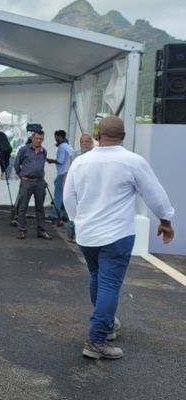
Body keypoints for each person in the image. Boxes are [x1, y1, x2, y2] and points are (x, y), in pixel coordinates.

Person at [63, 116, 175, 359]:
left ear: (97, 135)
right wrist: (165, 220)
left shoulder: (81, 163)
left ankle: (107, 325)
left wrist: (77, 220)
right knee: (110, 285)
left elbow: (69, 198)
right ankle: (96, 340)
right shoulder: (132, 161)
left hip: (87, 235)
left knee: (97, 278)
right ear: (123, 137)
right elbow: (154, 194)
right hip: (117, 235)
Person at [13, 129, 51, 240]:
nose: (39, 141)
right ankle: (22, 230)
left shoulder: (44, 151)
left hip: (39, 182)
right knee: (23, 207)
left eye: (41, 139)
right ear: (32, 138)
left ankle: (41, 231)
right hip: (26, 182)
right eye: (37, 138)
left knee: (40, 208)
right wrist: (22, 176)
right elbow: (16, 165)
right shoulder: (24, 150)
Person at [46, 130, 74, 222]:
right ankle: (67, 214)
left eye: (56, 137)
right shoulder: (69, 146)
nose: (55, 139)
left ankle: (54, 214)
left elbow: (60, 161)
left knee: (58, 195)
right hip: (68, 173)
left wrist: (50, 160)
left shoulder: (62, 147)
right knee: (66, 195)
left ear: (59, 137)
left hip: (62, 173)